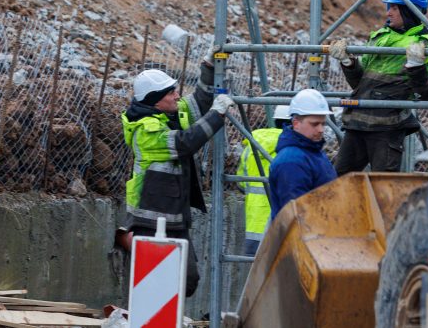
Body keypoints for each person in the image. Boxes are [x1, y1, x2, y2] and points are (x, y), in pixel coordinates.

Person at [121, 60, 235, 297]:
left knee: (187, 281)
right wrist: (217, 115)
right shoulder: (146, 130)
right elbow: (185, 143)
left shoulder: (170, 114)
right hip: (150, 221)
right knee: (163, 283)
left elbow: (199, 102)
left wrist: (209, 66)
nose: (177, 95)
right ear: (156, 100)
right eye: (171, 92)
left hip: (174, 217)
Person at [329, 0, 428, 174]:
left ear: (410, 10)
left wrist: (416, 68)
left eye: (394, 8)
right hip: (357, 122)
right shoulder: (381, 36)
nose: (388, 13)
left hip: (387, 127)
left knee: (382, 188)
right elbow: (360, 83)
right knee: (337, 183)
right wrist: (349, 62)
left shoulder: (426, 44)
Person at [269, 89, 337, 219]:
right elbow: (296, 216)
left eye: (323, 124)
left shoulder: (313, 152)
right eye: (315, 124)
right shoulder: (291, 161)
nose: (321, 130)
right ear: (296, 123)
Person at [236, 105, 290, 256]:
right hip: (281, 224)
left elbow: (241, 183)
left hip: (254, 225)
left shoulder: (252, 145)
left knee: (256, 275)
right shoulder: (291, 147)